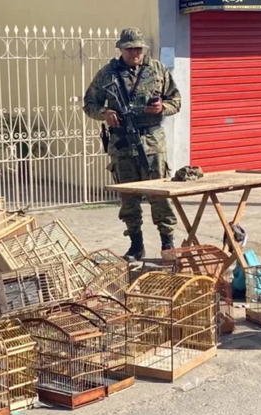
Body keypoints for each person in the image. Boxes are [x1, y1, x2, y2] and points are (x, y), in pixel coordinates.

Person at [83, 27, 181, 261]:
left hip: (152, 143)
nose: (134, 52)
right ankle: (136, 245)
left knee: (159, 194)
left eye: (138, 48)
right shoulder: (107, 74)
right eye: (129, 48)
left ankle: (168, 243)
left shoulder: (157, 69)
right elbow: (89, 104)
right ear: (121, 49)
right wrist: (105, 112)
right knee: (128, 196)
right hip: (122, 143)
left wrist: (162, 108)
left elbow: (175, 100)